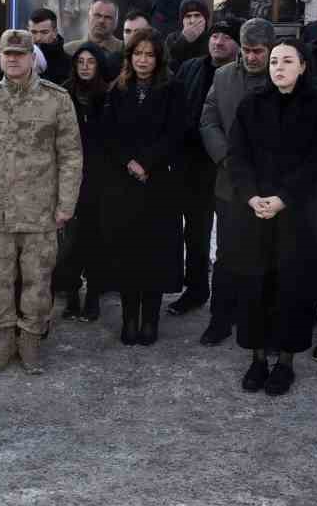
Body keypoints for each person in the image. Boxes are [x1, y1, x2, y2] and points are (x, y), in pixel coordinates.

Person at [0, 29, 83, 374]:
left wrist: (66, 204)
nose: (13, 59)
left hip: (41, 210)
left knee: (37, 281)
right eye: (7, 54)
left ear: (32, 58)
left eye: (20, 54)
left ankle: (30, 339)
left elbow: (71, 156)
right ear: (0, 57)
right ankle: (2, 338)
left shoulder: (57, 100)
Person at [222, 38, 317, 396]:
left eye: (287, 61)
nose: (278, 68)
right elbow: (237, 156)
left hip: (298, 214)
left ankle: (285, 362)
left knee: (292, 287)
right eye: (274, 61)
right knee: (255, 285)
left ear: (303, 66)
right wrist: (252, 196)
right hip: (254, 211)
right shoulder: (252, 104)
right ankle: (257, 358)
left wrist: (284, 198)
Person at [99, 29, 185, 346]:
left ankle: (150, 319)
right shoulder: (118, 88)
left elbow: (177, 132)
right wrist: (129, 162)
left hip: (159, 182)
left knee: (155, 253)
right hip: (124, 183)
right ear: (130, 57)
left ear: (158, 57)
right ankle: (129, 319)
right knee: (127, 252)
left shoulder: (173, 88)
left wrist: (148, 163)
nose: (143, 60)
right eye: (138, 54)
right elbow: (108, 134)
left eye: (149, 54)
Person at [199, 19, 276, 345]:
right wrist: (226, 158)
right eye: (246, 51)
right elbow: (209, 120)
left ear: (270, 49)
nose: (252, 58)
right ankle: (221, 318)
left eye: (258, 51)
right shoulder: (224, 76)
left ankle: (259, 319)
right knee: (228, 254)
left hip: (271, 187)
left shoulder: (283, 78)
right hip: (230, 183)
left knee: (267, 255)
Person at [172, 19, 241, 319]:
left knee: (232, 237)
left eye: (227, 37)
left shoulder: (245, 75)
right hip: (193, 165)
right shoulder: (190, 68)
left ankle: (231, 299)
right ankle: (196, 288)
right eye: (215, 36)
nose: (219, 42)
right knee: (196, 233)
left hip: (230, 166)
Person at [55, 44, 112, 322]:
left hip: (100, 180)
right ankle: (72, 295)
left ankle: (93, 296)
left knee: (95, 240)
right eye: (81, 61)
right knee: (69, 243)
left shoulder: (110, 95)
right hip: (68, 178)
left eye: (91, 61)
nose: (86, 66)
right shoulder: (63, 93)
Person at [165, 0, 210, 76]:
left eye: (197, 15)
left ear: (205, 18)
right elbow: (169, 67)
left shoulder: (213, 39)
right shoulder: (172, 38)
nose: (192, 21)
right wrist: (183, 41)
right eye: (188, 16)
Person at [29, 7, 71, 84]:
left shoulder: (70, 64)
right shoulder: (21, 61)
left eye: (44, 32)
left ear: (55, 32)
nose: (38, 38)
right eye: (34, 32)